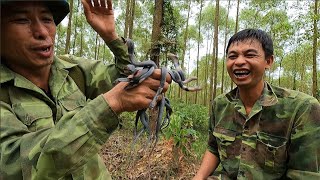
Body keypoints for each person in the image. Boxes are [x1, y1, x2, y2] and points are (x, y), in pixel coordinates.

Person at [0, 0, 171, 179]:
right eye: (21, 20)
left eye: (47, 19)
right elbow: (16, 167)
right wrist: (109, 105)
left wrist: (111, 37)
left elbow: (128, 77)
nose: (42, 32)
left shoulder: (73, 69)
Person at [194, 29, 320, 179]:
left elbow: (305, 174)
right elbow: (213, 148)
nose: (239, 61)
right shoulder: (220, 104)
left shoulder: (302, 108)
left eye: (250, 55)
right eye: (232, 56)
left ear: (268, 61)